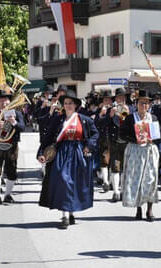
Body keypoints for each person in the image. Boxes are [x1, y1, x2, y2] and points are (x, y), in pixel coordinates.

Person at [37, 90, 99, 229]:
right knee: (63, 182)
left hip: (78, 154)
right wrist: (41, 152)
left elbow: (95, 134)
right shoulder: (58, 119)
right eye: (65, 103)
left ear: (76, 105)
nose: (68, 105)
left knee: (74, 184)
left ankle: (71, 212)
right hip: (61, 154)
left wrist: (89, 146)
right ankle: (64, 215)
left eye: (70, 103)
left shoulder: (84, 119)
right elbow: (47, 137)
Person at [120, 90, 160, 221]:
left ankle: (150, 209)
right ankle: (138, 208)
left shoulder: (153, 118)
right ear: (137, 104)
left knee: (150, 179)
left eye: (147, 103)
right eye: (142, 103)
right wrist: (134, 138)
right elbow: (123, 134)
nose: (144, 106)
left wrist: (153, 139)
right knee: (136, 179)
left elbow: (158, 135)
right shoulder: (131, 118)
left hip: (149, 150)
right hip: (135, 151)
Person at [0, 90, 26, 204]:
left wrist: (14, 122)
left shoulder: (17, 113)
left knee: (12, 170)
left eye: (6, 100)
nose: (4, 103)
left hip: (12, 146)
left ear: (10, 101)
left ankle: (8, 194)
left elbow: (22, 127)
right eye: (1, 100)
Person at [94, 90, 113, 192]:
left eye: (108, 100)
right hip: (103, 138)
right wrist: (101, 114)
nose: (107, 102)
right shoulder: (99, 110)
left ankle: (110, 181)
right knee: (104, 160)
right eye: (105, 100)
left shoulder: (114, 110)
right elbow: (96, 123)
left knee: (112, 161)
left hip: (113, 138)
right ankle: (105, 182)